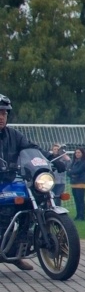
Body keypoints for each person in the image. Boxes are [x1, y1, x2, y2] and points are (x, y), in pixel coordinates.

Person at [0, 96, 41, 268]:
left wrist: (51, 157)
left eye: (4, 113)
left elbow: (31, 148)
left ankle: (15, 251)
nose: (1, 116)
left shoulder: (14, 135)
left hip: (7, 183)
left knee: (29, 206)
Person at [68, 147, 85, 222]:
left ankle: (82, 216)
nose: (77, 154)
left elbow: (78, 171)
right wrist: (71, 173)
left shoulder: (84, 162)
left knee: (80, 200)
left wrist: (72, 172)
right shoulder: (74, 162)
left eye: (79, 152)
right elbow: (68, 171)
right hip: (74, 183)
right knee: (76, 200)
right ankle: (78, 215)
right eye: (76, 152)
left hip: (81, 183)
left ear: (82, 153)